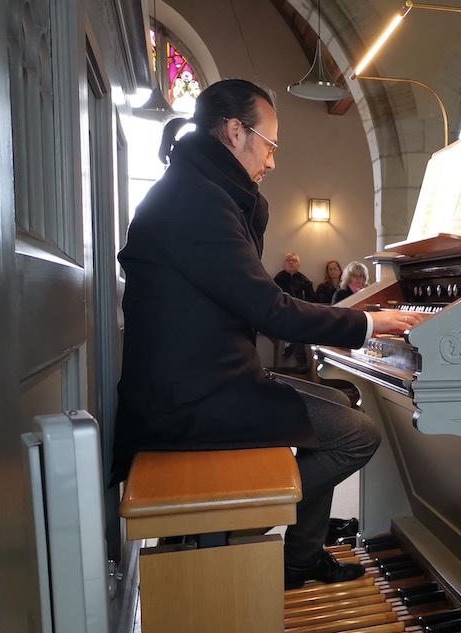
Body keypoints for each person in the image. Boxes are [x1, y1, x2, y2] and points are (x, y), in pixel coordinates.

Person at [110, 79, 426, 590]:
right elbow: (271, 310)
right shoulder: (198, 200)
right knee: (357, 435)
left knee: (334, 404)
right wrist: (369, 322)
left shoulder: (197, 188)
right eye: (271, 144)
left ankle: (301, 556)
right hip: (189, 400)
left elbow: (258, 303)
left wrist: (357, 321)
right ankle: (239, 524)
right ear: (236, 132)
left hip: (202, 381)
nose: (273, 161)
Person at [274, 252, 314, 372]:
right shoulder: (278, 279)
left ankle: (290, 346)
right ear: (284, 264)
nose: (291, 263)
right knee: (298, 329)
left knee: (299, 327)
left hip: (300, 312)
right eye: (288, 260)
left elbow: (311, 299)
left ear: (298, 265)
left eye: (294, 261)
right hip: (283, 312)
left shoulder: (305, 281)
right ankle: (301, 359)